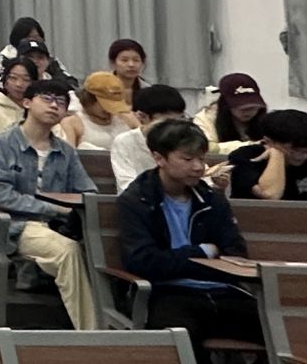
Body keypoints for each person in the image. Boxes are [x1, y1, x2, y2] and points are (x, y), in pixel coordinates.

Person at [117, 119, 261, 364]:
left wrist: (182, 261)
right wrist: (203, 252)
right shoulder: (137, 200)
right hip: (168, 293)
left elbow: (235, 251)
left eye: (201, 159)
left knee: (283, 328)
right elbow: (143, 261)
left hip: (224, 292)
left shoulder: (211, 199)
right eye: (187, 159)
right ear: (159, 158)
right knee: (179, 340)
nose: (198, 167)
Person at [0, 79, 99, 331]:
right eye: (47, 98)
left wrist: (71, 210)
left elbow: (88, 191)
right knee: (68, 251)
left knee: (100, 247)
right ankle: (92, 334)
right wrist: (53, 208)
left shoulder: (66, 151)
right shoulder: (2, 144)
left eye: (61, 102)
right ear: (26, 102)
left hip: (59, 226)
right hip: (16, 225)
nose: (54, 106)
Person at [113, 85, 213, 192]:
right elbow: (126, 184)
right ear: (142, 117)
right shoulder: (125, 141)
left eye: (181, 119)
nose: (175, 127)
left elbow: (205, 180)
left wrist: (216, 182)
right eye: (167, 121)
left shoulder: (183, 139)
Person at [61, 71, 141, 150]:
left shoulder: (128, 119)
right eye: (106, 105)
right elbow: (68, 155)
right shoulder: (72, 123)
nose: (110, 110)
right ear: (89, 99)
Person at [194, 72, 265, 156]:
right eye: (242, 108)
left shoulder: (264, 120)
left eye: (253, 107)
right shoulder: (205, 119)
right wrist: (251, 145)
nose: (248, 112)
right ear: (225, 104)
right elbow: (206, 148)